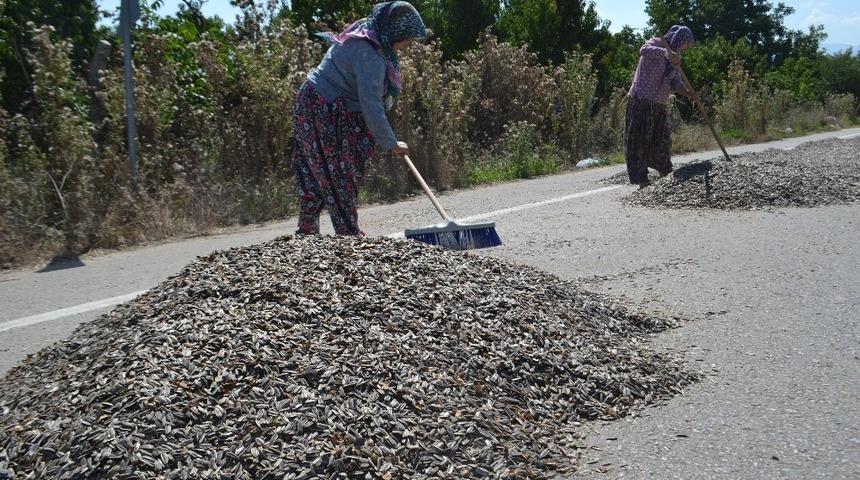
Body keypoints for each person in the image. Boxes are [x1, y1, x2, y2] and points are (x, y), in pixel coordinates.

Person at [292, 2, 426, 235]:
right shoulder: (370, 55)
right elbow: (371, 104)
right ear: (395, 31)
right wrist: (391, 143)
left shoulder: (370, 31)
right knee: (339, 171)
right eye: (407, 39)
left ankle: (308, 234)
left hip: (315, 100)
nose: (408, 45)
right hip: (324, 106)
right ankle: (347, 235)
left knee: (318, 170)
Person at [624, 25, 700, 188]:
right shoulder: (658, 43)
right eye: (686, 44)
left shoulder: (676, 59)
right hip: (641, 99)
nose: (686, 48)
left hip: (659, 103)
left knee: (662, 140)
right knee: (639, 140)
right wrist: (666, 53)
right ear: (680, 39)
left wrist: (689, 94)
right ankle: (642, 179)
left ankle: (665, 172)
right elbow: (644, 49)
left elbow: (676, 82)